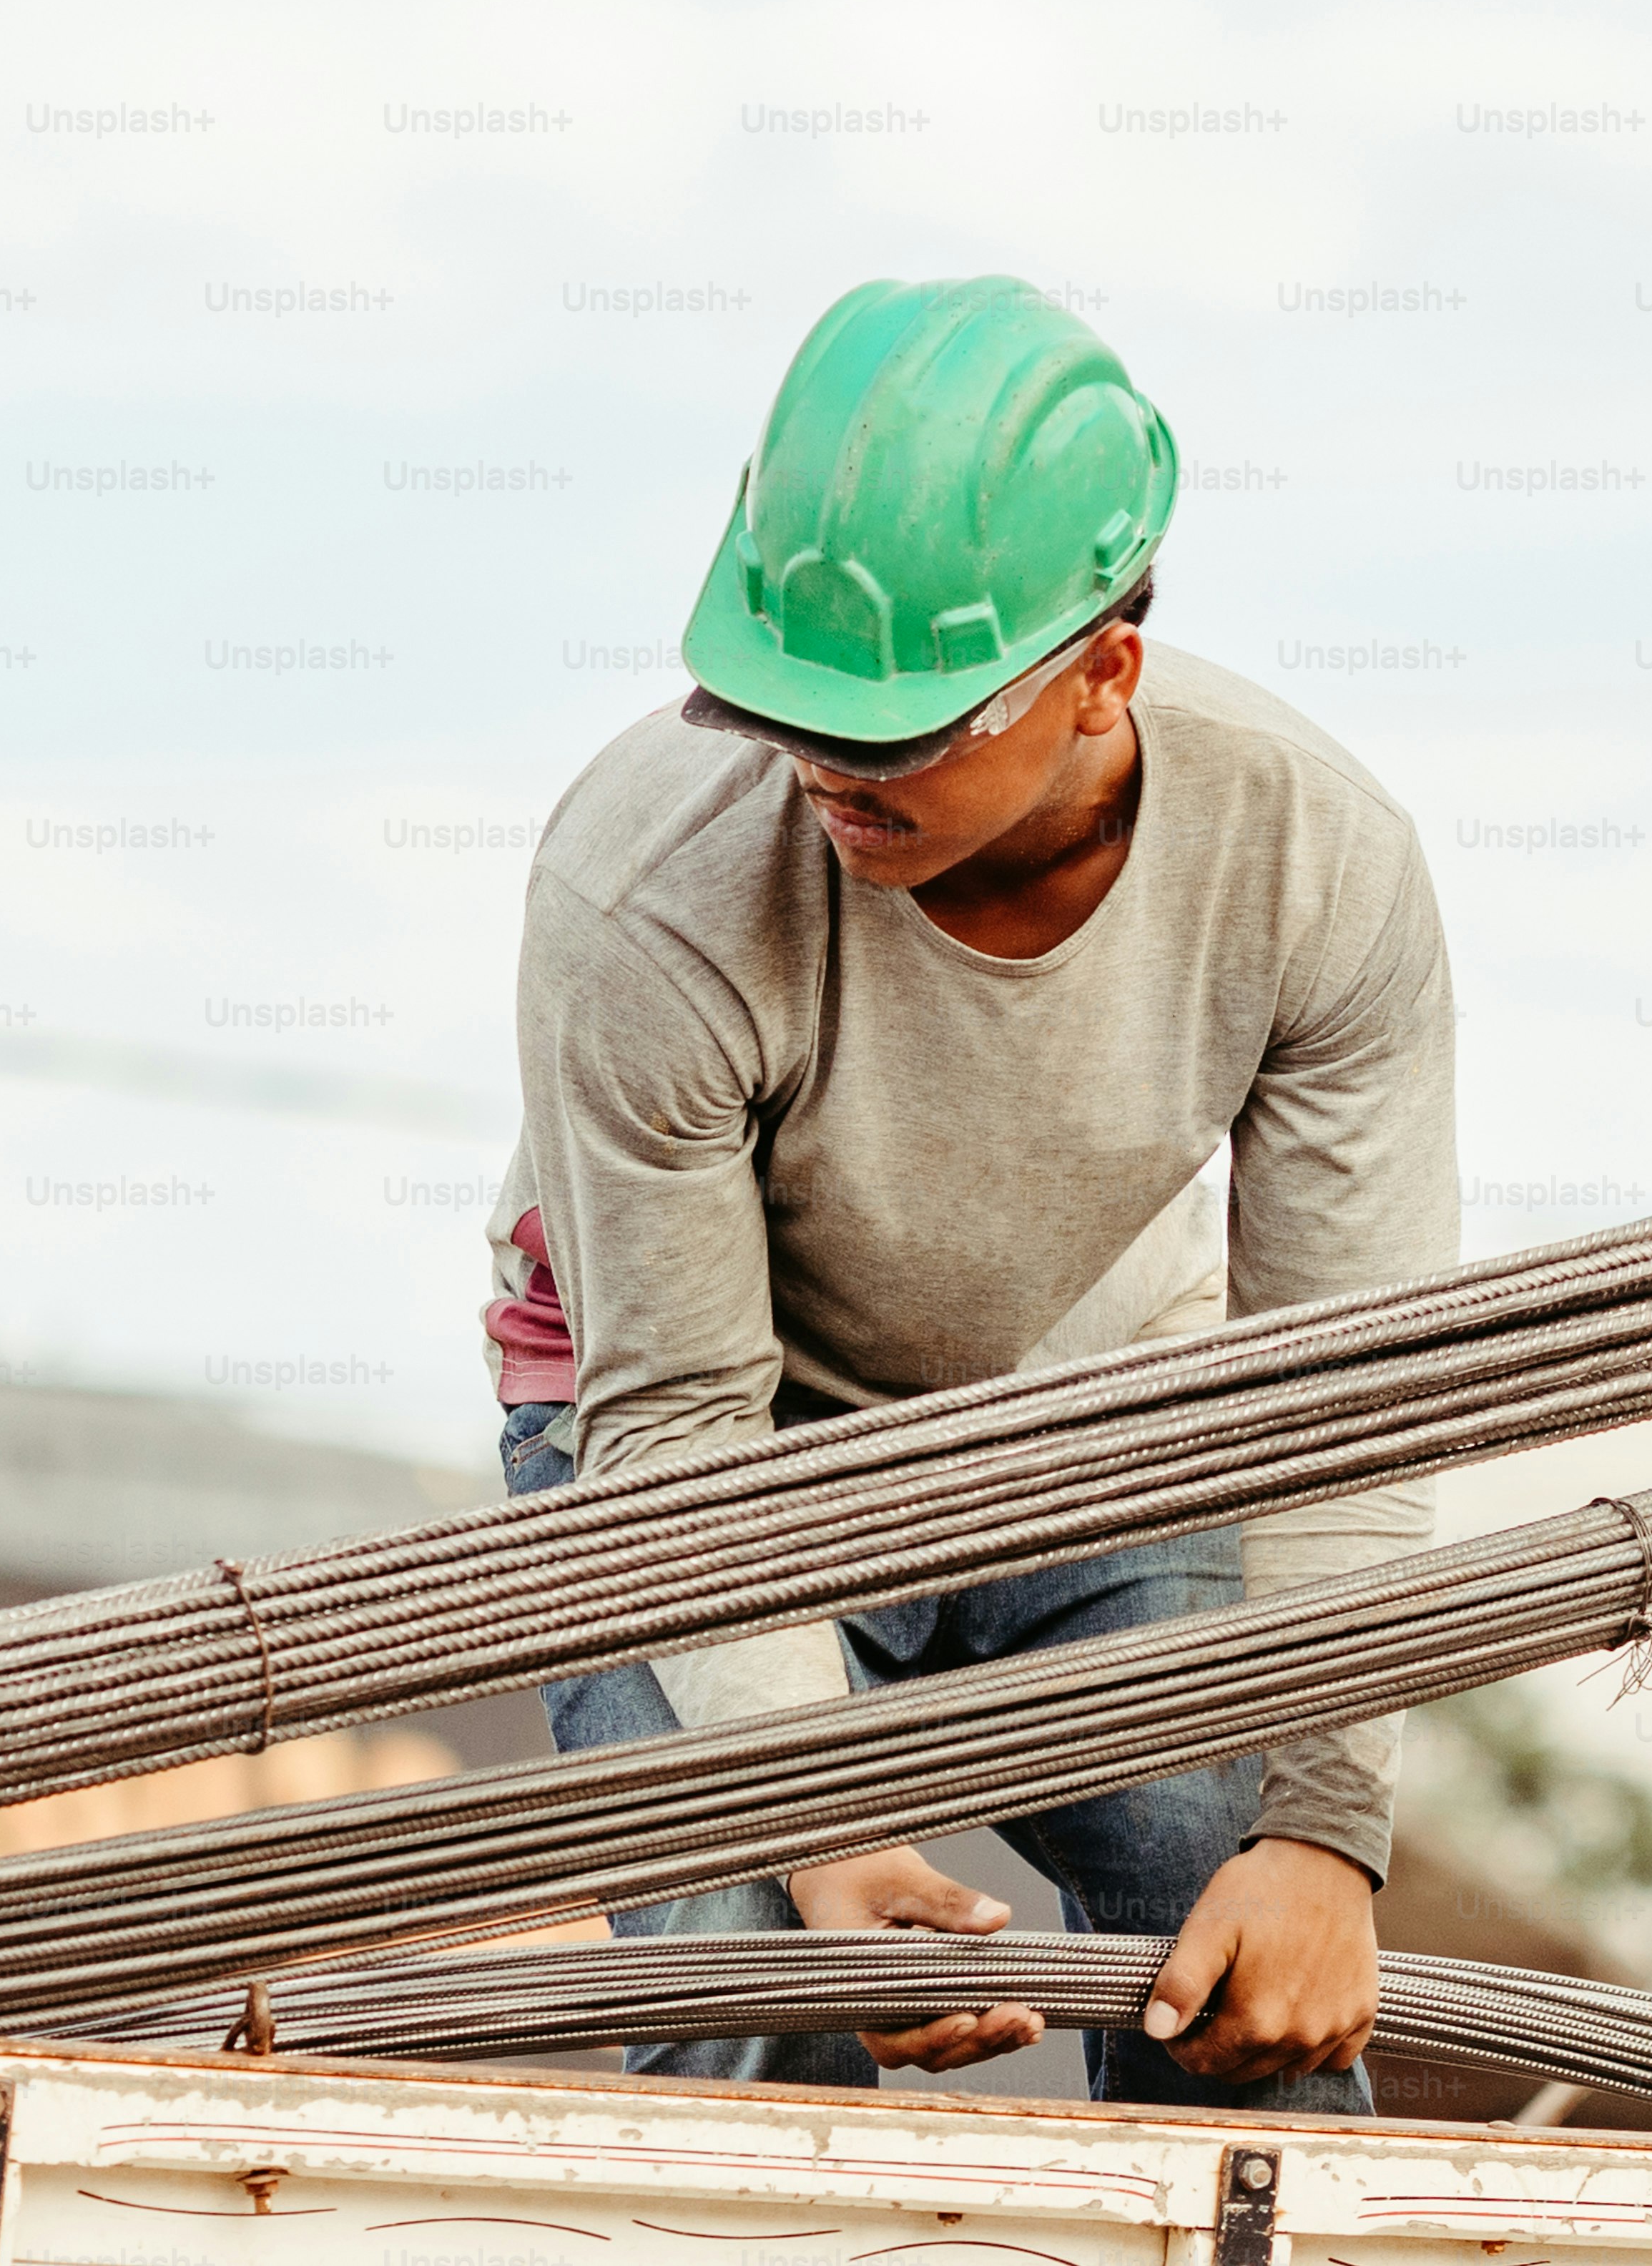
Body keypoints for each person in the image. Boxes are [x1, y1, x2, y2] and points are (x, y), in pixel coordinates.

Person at [483, 275, 1455, 2110]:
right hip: (696, 1432)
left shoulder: (1312, 867)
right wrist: (818, 1826)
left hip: (1082, 1415)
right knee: (740, 1964)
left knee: (1236, 1945)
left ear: (1105, 669)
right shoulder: (651, 894)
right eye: (785, 706)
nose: (832, 771)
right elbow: (680, 1422)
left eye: (904, 726)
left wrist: (1327, 1830)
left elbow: (1349, 1390)